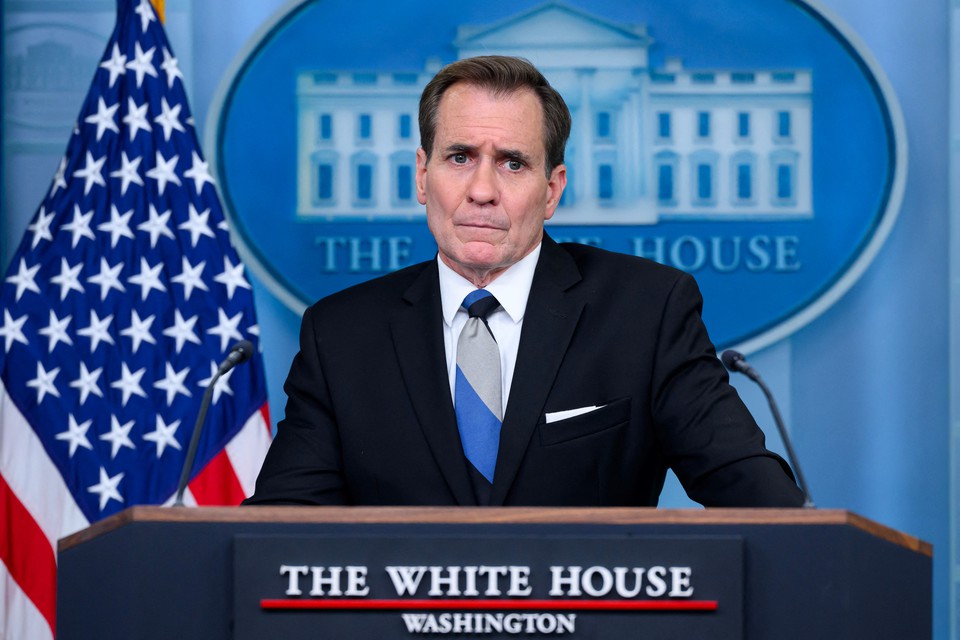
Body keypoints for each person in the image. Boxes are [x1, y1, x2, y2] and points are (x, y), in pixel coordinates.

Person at [244, 56, 805, 507]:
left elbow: (756, 499)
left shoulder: (646, 312)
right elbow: (278, 532)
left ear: (553, 189)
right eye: (459, 157)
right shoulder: (342, 334)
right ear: (422, 175)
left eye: (512, 163)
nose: (482, 190)